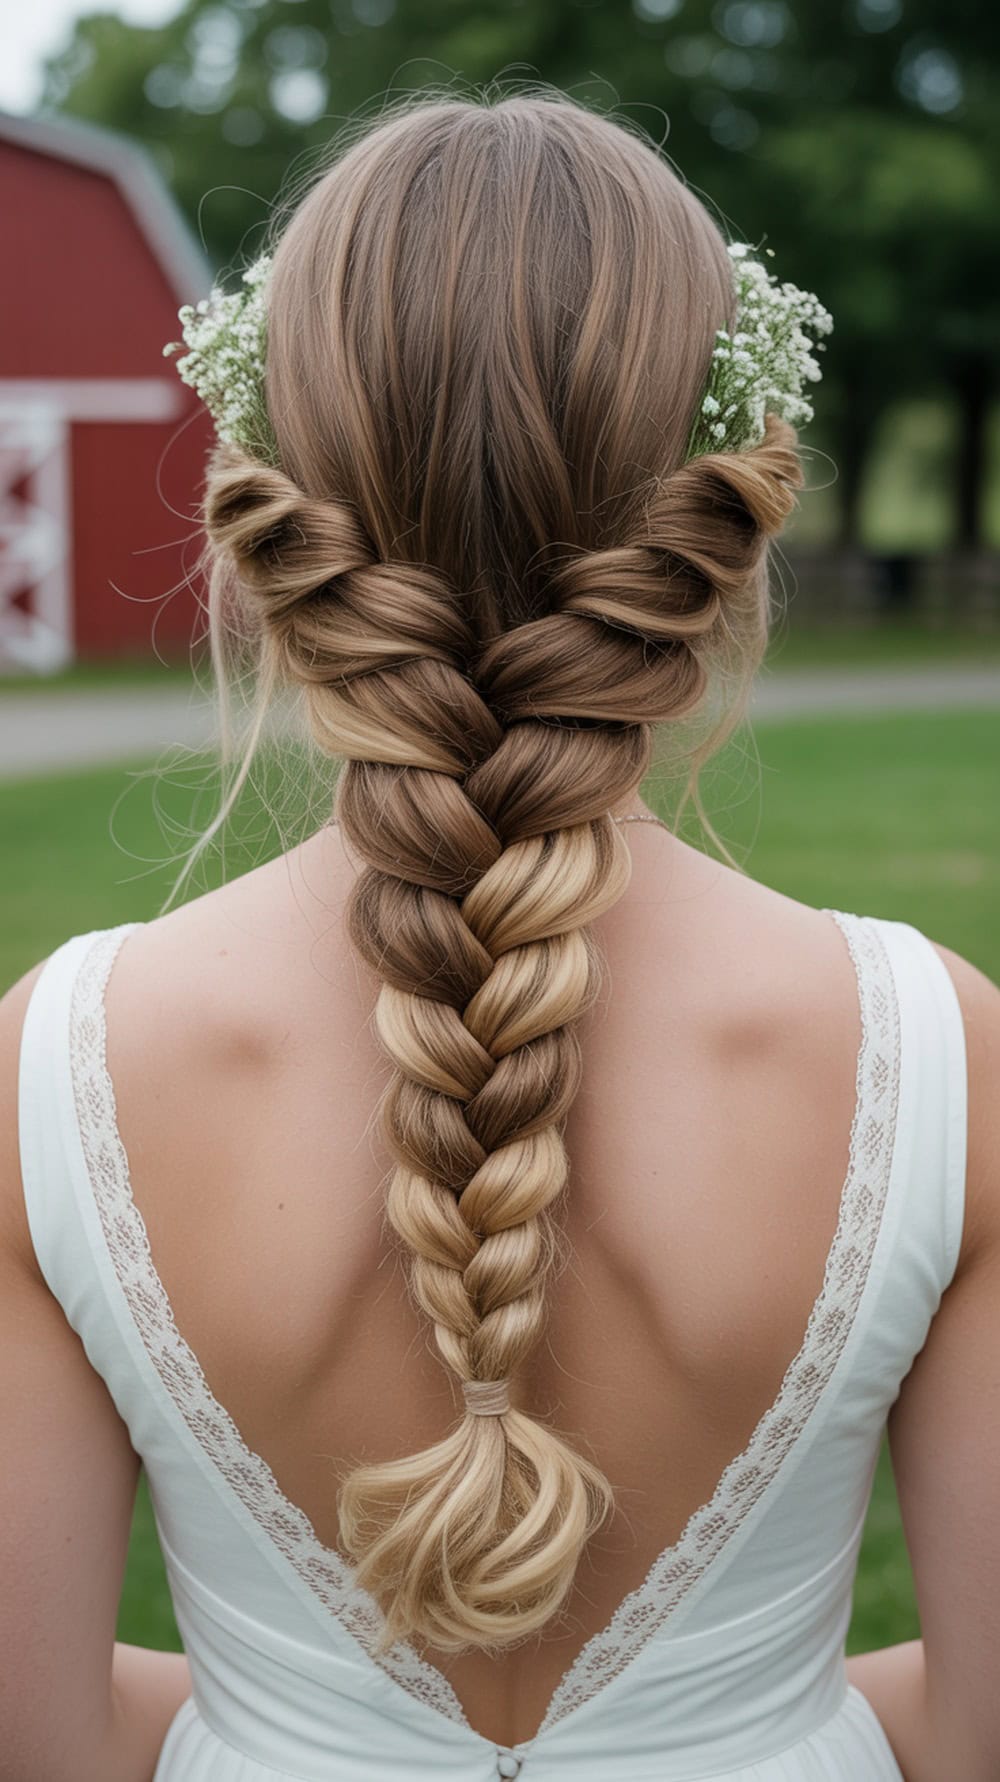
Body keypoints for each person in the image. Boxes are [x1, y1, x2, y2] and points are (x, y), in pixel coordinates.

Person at [1, 89, 997, 1782]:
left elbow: (36, 1735)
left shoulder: (60, 1059)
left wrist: (280, 1727)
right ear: (721, 526)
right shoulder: (941, 1049)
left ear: (274, 521)